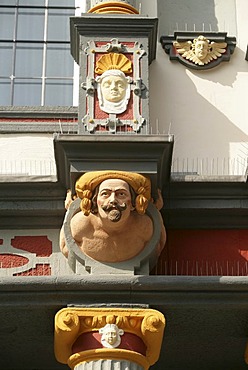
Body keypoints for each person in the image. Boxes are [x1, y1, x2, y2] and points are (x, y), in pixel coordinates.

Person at [60, 170, 166, 263]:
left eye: (121, 194)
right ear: (95, 202)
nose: (113, 200)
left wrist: (156, 214)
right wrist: (70, 211)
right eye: (105, 194)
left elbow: (158, 245)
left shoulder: (144, 226)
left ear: (133, 204)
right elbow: (65, 248)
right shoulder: (81, 225)